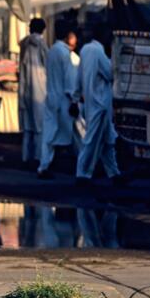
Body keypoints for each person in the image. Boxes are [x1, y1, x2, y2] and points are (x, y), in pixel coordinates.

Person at [72, 24, 124, 186]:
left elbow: (79, 77)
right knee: (92, 139)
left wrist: (75, 98)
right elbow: (110, 73)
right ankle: (82, 174)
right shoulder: (99, 52)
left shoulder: (85, 51)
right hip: (100, 104)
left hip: (92, 103)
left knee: (107, 140)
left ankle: (114, 173)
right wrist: (115, 57)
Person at [36, 21, 78, 178]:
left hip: (51, 97)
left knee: (49, 133)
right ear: (68, 37)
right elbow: (69, 79)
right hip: (63, 99)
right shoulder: (64, 53)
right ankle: (85, 167)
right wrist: (74, 100)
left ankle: (44, 166)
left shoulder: (52, 51)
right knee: (77, 131)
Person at [18, 18, 48, 166]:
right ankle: (37, 158)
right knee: (39, 128)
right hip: (40, 91)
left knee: (28, 127)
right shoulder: (42, 45)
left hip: (25, 90)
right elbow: (47, 65)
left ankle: (25, 158)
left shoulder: (24, 44)